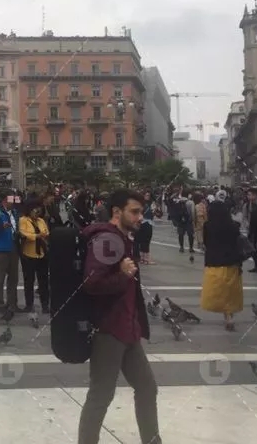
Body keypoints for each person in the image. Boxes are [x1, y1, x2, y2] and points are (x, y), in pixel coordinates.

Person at [78, 189, 160, 444]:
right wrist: (123, 275)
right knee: (101, 395)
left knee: (147, 387)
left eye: (141, 212)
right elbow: (92, 282)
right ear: (116, 212)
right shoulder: (107, 239)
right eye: (134, 212)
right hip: (109, 329)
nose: (140, 217)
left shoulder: (122, 239)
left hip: (128, 327)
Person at [201, 201, 245, 330]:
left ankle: (226, 315)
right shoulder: (234, 226)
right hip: (232, 263)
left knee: (219, 292)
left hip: (214, 263)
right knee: (231, 293)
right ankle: (229, 317)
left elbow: (206, 242)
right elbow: (238, 243)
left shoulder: (208, 225)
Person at [18, 199, 50, 315]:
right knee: (29, 281)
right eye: (35, 210)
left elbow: (46, 232)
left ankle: (45, 305)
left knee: (43, 281)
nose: (37, 212)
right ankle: (29, 305)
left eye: (38, 210)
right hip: (29, 255)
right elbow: (23, 233)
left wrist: (43, 235)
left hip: (41, 254)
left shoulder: (41, 220)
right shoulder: (23, 220)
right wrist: (36, 236)